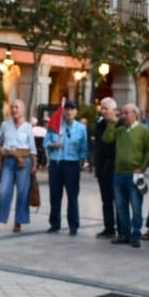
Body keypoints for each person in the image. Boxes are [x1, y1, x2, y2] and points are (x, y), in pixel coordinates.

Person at [105, 103, 149, 247]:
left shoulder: (144, 130)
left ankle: (136, 235)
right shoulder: (119, 130)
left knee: (136, 206)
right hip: (118, 174)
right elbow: (107, 139)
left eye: (126, 113)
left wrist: (143, 168)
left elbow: (148, 150)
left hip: (135, 175)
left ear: (135, 115)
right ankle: (124, 234)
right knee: (120, 207)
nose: (123, 116)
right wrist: (111, 124)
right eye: (122, 113)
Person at [0, 99, 37, 232]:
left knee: (22, 192)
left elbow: (32, 147)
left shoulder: (27, 127)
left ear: (23, 110)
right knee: (4, 191)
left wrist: (34, 165)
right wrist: (0, 149)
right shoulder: (5, 125)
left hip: (24, 160)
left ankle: (18, 222)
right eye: (12, 107)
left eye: (17, 107)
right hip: (9, 160)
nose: (14, 110)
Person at [46, 101, 88, 235]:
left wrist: (82, 161)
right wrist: (54, 144)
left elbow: (83, 147)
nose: (69, 112)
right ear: (63, 111)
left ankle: (73, 225)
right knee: (55, 195)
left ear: (76, 112)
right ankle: (54, 223)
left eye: (72, 109)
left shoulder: (81, 128)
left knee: (72, 196)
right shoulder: (55, 124)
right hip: (56, 163)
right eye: (67, 109)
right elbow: (45, 142)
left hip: (72, 164)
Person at [92, 97, 119, 238]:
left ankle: (122, 228)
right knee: (106, 200)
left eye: (105, 109)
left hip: (117, 166)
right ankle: (109, 227)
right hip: (104, 167)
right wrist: (97, 168)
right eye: (101, 108)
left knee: (119, 200)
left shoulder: (120, 124)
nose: (102, 111)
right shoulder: (100, 124)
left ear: (114, 110)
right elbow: (98, 147)